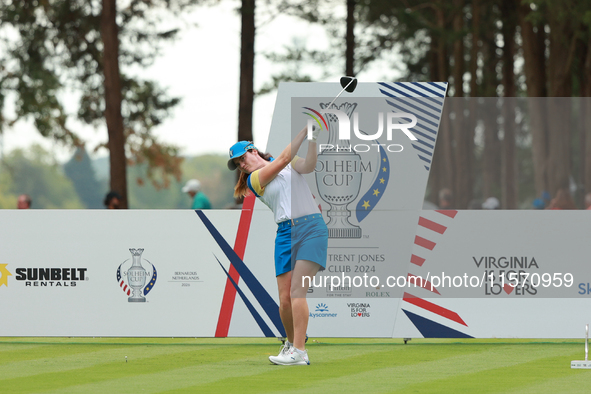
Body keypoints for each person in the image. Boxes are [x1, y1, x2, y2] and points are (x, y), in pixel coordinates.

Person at [227, 125, 327, 366]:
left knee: (296, 292)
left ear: (253, 151)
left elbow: (309, 165)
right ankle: (292, 345)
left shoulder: (290, 166)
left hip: (312, 229)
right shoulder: (254, 180)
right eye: (238, 164)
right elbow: (283, 158)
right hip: (284, 234)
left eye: (242, 158)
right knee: (284, 300)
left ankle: (300, 351)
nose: (241, 165)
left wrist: (313, 139)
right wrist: (305, 130)